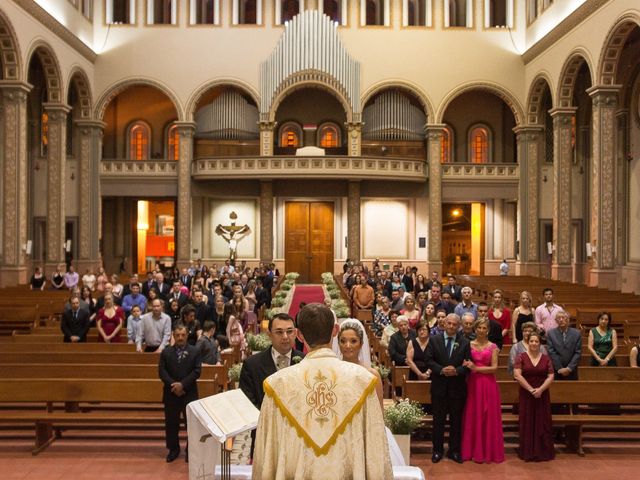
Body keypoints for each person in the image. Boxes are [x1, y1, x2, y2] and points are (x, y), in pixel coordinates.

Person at [252, 303, 393, 479]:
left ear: (299, 335)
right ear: (335, 330)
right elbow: (375, 450)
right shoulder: (362, 381)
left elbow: (266, 454)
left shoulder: (278, 384)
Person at [337, 319, 407, 467]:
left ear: (361, 344)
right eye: (343, 341)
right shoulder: (333, 373)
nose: (347, 346)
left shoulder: (371, 375)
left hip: (365, 433)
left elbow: (379, 413)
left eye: (353, 341)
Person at [425, 313, 471, 464]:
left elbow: (468, 365)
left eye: (454, 324)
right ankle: (437, 450)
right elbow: (428, 360)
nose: (451, 326)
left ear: (458, 327)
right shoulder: (434, 340)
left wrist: (457, 370)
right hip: (439, 388)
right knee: (438, 422)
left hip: (457, 389)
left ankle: (454, 451)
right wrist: (441, 370)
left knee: (456, 422)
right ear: (444, 324)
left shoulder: (464, 342)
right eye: (449, 323)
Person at [461, 318, 504, 463]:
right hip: (472, 384)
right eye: (479, 327)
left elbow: (494, 368)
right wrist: (468, 365)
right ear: (475, 329)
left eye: (484, 328)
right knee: (474, 414)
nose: (481, 330)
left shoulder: (493, 347)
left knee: (488, 416)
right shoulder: (468, 344)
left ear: (488, 331)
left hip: (488, 384)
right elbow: (464, 362)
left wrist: (476, 368)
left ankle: (488, 451)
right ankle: (472, 450)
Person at [159, 323, 202, 463]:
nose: (180, 338)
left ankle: (191, 450)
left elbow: (197, 371)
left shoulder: (195, 351)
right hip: (171, 393)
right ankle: (173, 449)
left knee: (191, 424)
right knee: (172, 424)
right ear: (173, 335)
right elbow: (162, 372)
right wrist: (174, 385)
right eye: (177, 335)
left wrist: (182, 385)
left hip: (188, 393)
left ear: (187, 335)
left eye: (183, 335)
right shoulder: (166, 352)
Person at [513, 332, 555, 462]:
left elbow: (551, 376)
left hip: (542, 395)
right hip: (527, 394)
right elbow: (517, 375)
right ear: (528, 342)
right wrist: (531, 389)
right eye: (531, 341)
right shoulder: (521, 357)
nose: (534, 344)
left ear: (540, 343)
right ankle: (528, 451)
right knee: (527, 422)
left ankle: (542, 452)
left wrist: (540, 389)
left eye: (536, 341)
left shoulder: (546, 358)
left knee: (542, 422)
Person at [546, 310, 582, 380]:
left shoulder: (576, 333)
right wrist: (560, 368)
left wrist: (569, 368)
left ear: (568, 319)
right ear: (556, 321)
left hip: (572, 370)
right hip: (557, 370)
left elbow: (578, 352)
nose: (561, 320)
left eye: (563, 317)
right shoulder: (551, 333)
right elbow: (551, 352)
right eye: (558, 318)